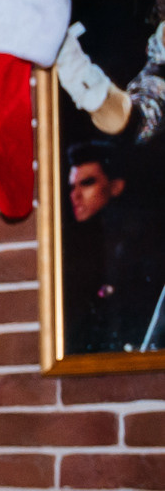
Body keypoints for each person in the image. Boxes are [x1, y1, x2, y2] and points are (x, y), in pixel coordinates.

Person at [62, 145, 162, 353]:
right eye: (72, 187)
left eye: (87, 183)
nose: (76, 195)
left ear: (115, 186)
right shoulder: (80, 244)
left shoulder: (140, 238)